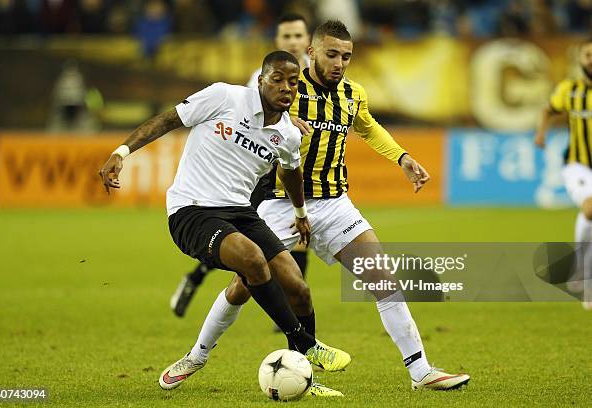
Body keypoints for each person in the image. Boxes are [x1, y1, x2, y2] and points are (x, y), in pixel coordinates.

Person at [176, 20, 470, 392]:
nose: (339, 63)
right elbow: (246, 115)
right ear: (311, 53)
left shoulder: (353, 95)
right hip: (280, 204)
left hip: (334, 203)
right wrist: (278, 118)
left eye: (346, 56)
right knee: (244, 285)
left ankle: (421, 371)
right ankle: (198, 355)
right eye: (331, 54)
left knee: (383, 279)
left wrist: (403, 158)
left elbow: (368, 128)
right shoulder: (285, 93)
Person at [97, 50, 351, 392]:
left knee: (298, 288)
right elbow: (167, 120)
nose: (286, 88)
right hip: (192, 210)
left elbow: (291, 172)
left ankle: (305, 378)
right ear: (261, 81)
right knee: (252, 261)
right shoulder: (224, 96)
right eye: (277, 80)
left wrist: (301, 213)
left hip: (240, 213)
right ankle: (305, 343)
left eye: (293, 82)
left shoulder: (289, 134)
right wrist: (121, 152)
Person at [170, 13, 312, 319]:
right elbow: (252, 114)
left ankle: (291, 316)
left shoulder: (317, 78)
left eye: (298, 36)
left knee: (292, 245)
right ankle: (196, 278)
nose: (293, 42)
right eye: (286, 37)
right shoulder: (259, 78)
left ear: (308, 41)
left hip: (296, 167)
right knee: (240, 241)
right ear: (277, 41)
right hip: (260, 174)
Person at [535, 37, 592, 310]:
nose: (591, 59)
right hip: (577, 164)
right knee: (590, 210)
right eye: (588, 55)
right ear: (580, 59)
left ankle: (580, 271)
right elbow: (548, 109)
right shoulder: (570, 90)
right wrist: (541, 133)